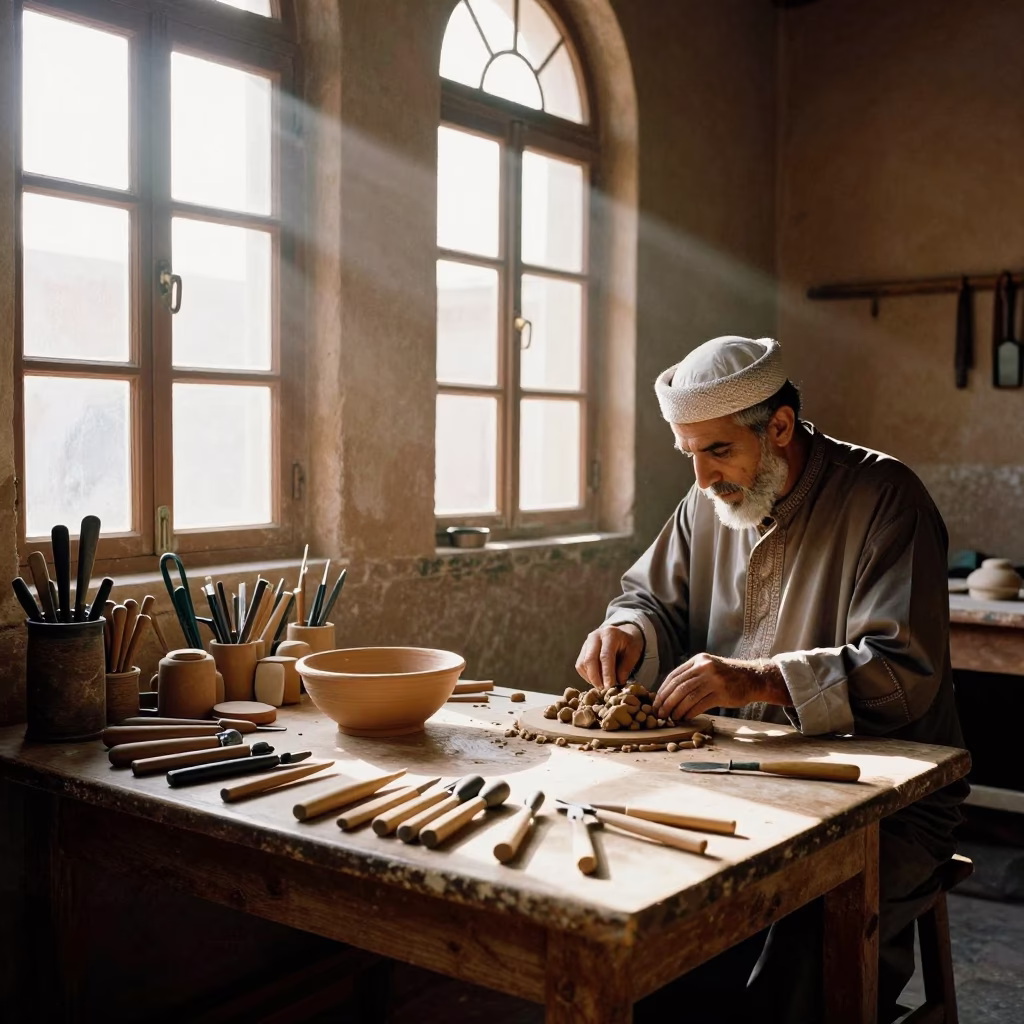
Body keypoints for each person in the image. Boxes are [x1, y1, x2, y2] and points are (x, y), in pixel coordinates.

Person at [575, 335, 968, 1024]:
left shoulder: (885, 498)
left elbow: (905, 677)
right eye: (688, 454)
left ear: (779, 427)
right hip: (737, 778)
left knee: (799, 971)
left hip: (882, 801)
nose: (701, 479)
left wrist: (759, 680)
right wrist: (628, 631)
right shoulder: (708, 502)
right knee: (653, 938)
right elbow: (649, 599)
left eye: (718, 450)